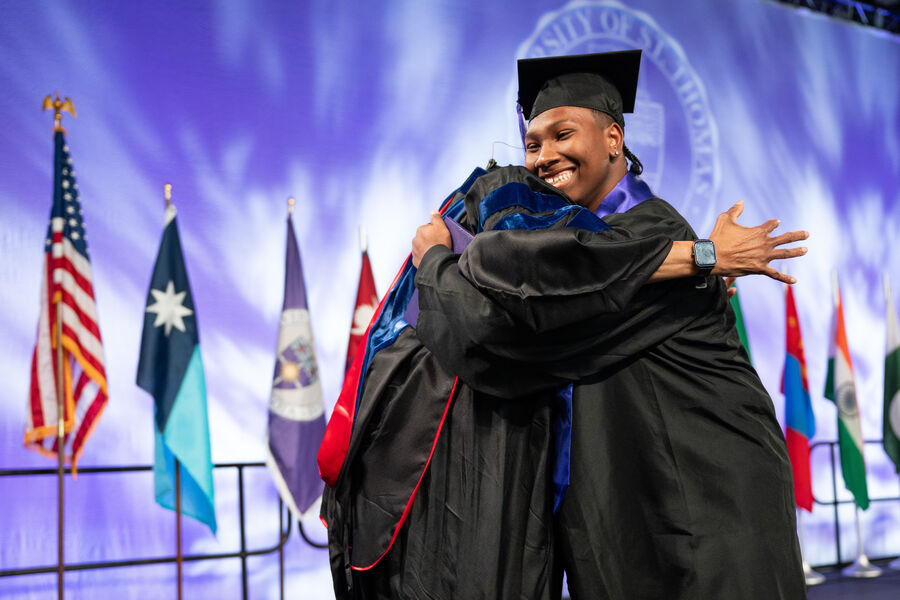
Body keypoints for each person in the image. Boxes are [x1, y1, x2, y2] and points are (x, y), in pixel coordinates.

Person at [319, 50, 808, 600]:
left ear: (614, 139)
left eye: (562, 134)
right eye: (532, 144)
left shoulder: (653, 227)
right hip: (624, 504)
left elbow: (496, 329)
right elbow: (548, 276)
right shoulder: (582, 243)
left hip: (704, 495)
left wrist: (435, 262)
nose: (544, 156)